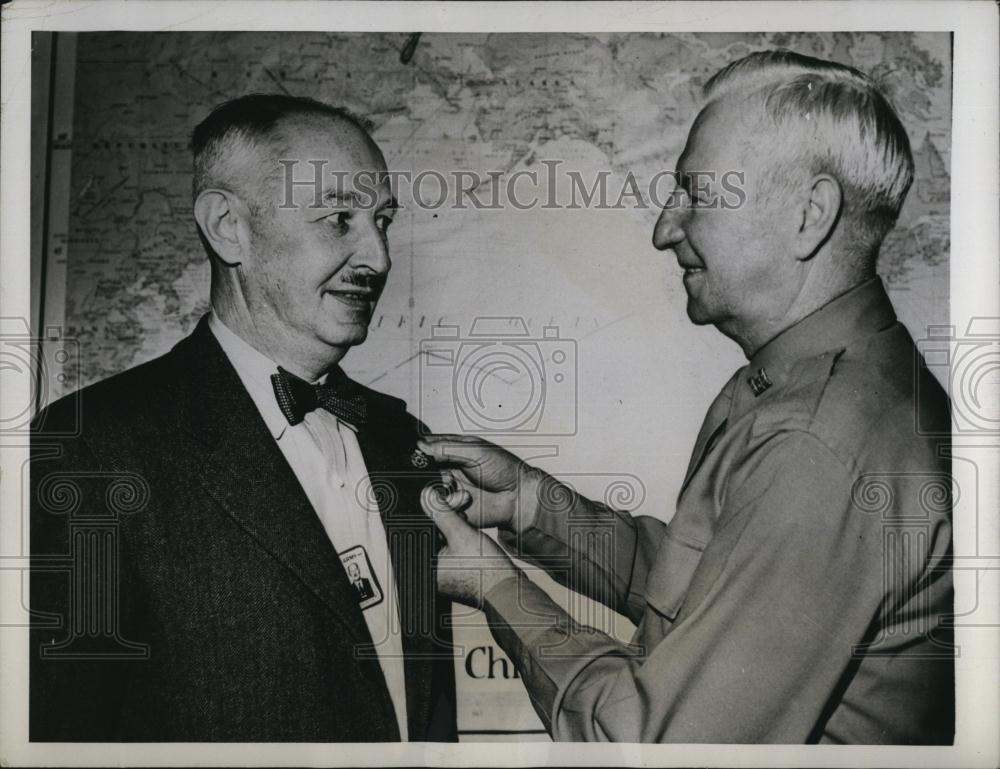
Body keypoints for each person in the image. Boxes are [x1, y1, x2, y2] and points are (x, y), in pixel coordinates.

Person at [418, 50, 953, 743]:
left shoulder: (818, 442)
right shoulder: (825, 387)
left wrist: (495, 587)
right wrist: (526, 502)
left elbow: (652, 746)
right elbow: (715, 586)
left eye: (696, 194)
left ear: (809, 214)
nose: (664, 228)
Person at [30, 94, 456, 741]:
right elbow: (59, 734)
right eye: (339, 217)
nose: (378, 257)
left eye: (383, 221)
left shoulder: (399, 437)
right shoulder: (95, 445)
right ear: (229, 225)